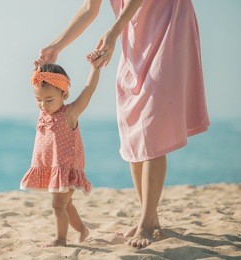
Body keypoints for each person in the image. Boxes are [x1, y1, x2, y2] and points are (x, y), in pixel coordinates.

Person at [35, 0, 210, 249]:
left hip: (167, 21)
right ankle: (150, 217)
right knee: (134, 125)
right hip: (134, 33)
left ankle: (147, 224)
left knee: (152, 126)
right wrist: (56, 46)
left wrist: (114, 31)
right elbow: (89, 8)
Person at [20, 52, 102, 247]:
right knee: (66, 204)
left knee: (57, 205)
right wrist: (39, 68)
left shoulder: (70, 113)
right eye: (38, 100)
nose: (43, 105)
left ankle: (60, 239)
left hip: (66, 168)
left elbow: (89, 90)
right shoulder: (44, 112)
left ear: (64, 94)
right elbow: (40, 82)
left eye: (49, 100)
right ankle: (82, 229)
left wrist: (95, 68)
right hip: (52, 168)